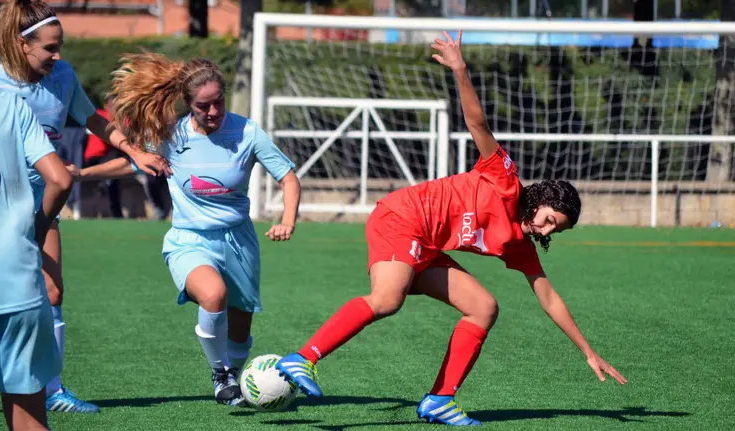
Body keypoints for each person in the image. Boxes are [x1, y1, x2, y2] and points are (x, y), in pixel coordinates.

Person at [275, 30, 627, 426]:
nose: (545, 231)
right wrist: (460, 70)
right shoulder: (505, 179)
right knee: (388, 299)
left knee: (483, 307)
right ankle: (302, 359)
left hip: (423, 246)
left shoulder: (519, 244)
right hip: (401, 216)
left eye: (554, 232)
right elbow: (478, 123)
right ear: (540, 198)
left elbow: (550, 300)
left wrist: (588, 351)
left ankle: (440, 399)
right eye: (549, 220)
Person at [68, 53, 302, 405]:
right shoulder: (171, 135)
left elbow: (287, 177)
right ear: (187, 104)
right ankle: (220, 374)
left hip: (239, 242)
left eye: (218, 102)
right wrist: (83, 175)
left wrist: (288, 220)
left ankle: (234, 378)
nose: (212, 112)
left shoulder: (248, 132)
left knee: (240, 332)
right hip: (189, 240)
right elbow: (132, 163)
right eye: (202, 106)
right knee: (213, 295)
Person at [0, 0, 172, 413]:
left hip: (46, 202)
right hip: (2, 208)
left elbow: (93, 120)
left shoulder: (62, 76)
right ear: (21, 44)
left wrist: (135, 152)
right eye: (49, 47)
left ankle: (52, 390)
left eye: (59, 45)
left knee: (52, 290)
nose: (58, 55)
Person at [0, 17, 73, 429]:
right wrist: (38, 225)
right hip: (16, 275)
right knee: (29, 417)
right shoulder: (9, 104)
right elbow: (60, 178)